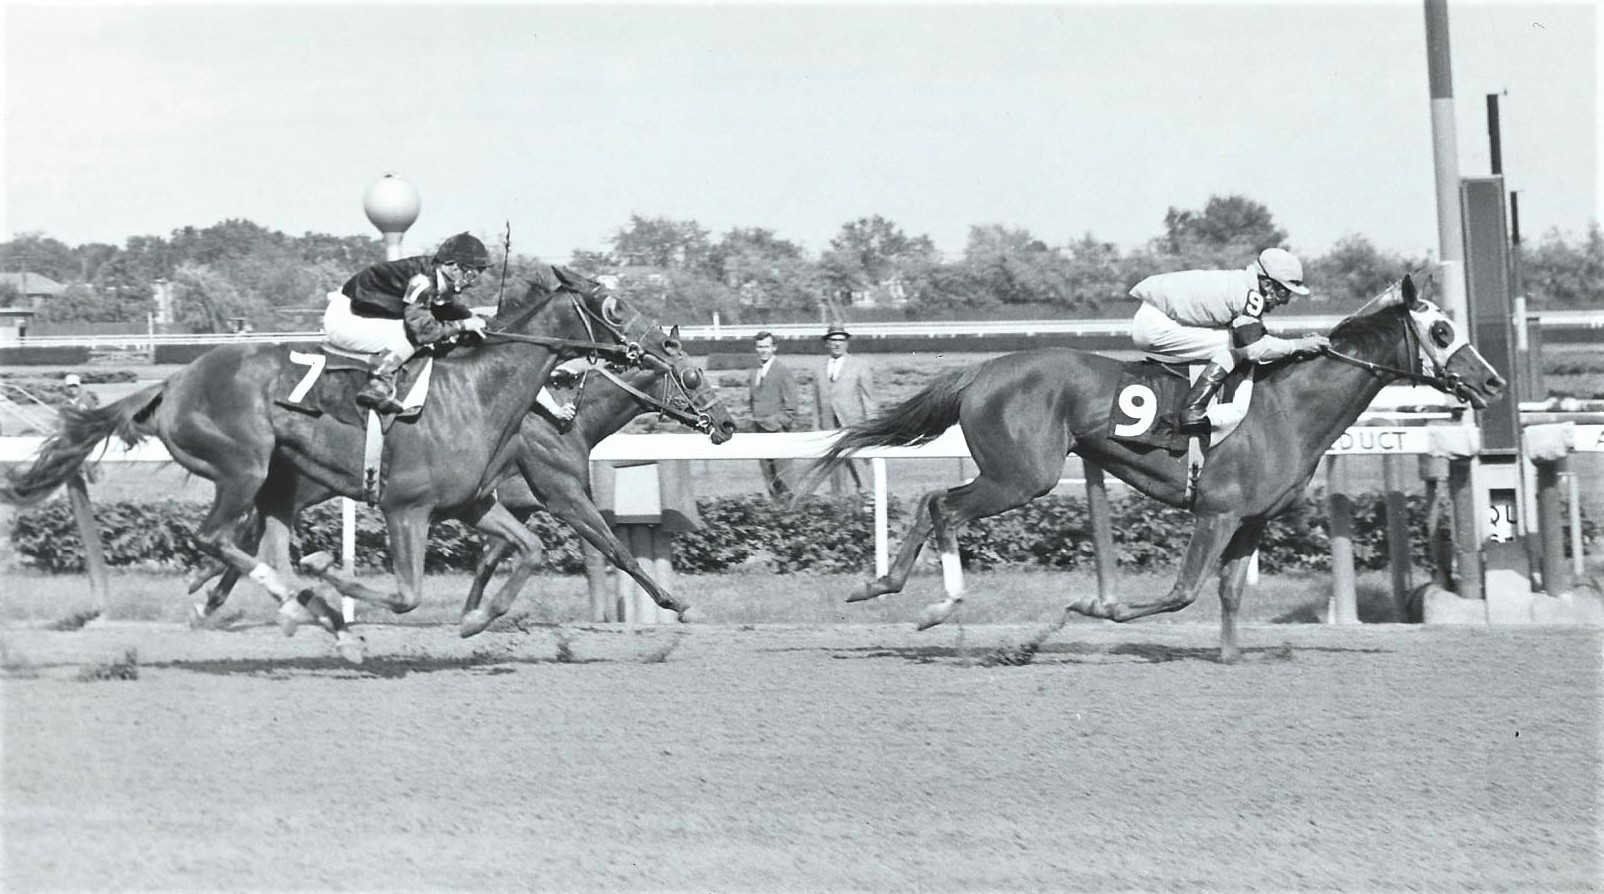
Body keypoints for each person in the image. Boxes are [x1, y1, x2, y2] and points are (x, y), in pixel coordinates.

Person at [1129, 247, 1330, 430]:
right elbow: (1254, 349)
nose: (1285, 301)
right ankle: (1193, 409)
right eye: (1284, 292)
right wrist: (1298, 345)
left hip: (1154, 317)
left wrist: (1296, 344)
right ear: (1267, 284)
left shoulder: (1242, 283)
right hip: (1155, 325)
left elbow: (1257, 336)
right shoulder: (1251, 296)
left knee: (1238, 343)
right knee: (1236, 348)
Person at [322, 232, 493, 413]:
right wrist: (464, 325)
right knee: (413, 334)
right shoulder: (423, 281)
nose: (474, 281)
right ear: (452, 267)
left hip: (360, 310)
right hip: (345, 319)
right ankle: (378, 381)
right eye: (472, 273)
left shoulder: (437, 275)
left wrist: (479, 322)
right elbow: (422, 331)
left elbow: (451, 308)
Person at [812, 323, 876, 493]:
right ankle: (840, 511)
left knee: (861, 472)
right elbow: (816, 402)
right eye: (833, 340)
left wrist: (872, 430)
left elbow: (869, 401)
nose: (837, 344)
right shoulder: (819, 368)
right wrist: (816, 429)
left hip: (854, 427)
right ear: (827, 343)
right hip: (829, 428)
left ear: (847, 342)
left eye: (841, 340)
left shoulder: (859, 365)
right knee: (835, 475)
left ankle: (867, 509)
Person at [747, 330, 800, 498]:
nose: (763, 350)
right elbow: (752, 400)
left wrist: (778, 424)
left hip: (777, 432)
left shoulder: (782, 370)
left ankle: (793, 514)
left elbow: (792, 405)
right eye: (760, 347)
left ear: (774, 348)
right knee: (769, 478)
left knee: (785, 477)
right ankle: (776, 514)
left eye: (766, 347)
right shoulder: (754, 371)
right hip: (759, 431)